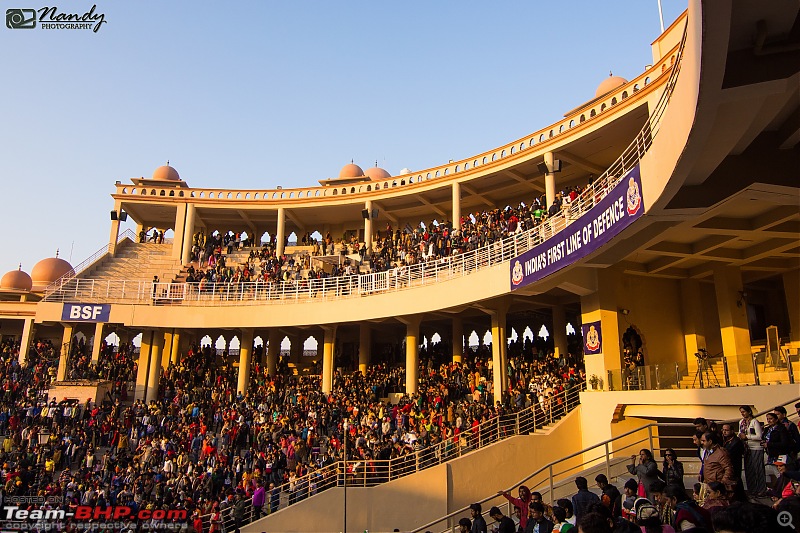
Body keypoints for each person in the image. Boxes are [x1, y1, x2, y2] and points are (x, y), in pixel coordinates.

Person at [738, 405, 766, 496]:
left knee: (758, 469)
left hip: (756, 448)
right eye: (741, 412)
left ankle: (761, 489)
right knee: (749, 469)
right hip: (746, 448)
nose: (742, 413)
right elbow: (740, 433)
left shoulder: (754, 422)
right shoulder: (741, 422)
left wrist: (747, 437)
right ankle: (752, 489)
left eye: (744, 411)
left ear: (749, 412)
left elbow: (759, 436)